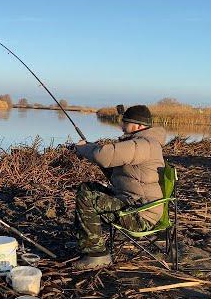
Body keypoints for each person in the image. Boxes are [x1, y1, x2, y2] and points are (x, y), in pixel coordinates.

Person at [71, 105, 167, 270]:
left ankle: (97, 255)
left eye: (125, 122)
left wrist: (83, 148)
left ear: (137, 126)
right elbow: (117, 166)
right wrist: (91, 147)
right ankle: (86, 239)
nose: (121, 126)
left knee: (87, 199)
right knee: (86, 188)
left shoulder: (144, 144)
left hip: (140, 214)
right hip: (132, 202)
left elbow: (104, 156)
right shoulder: (143, 142)